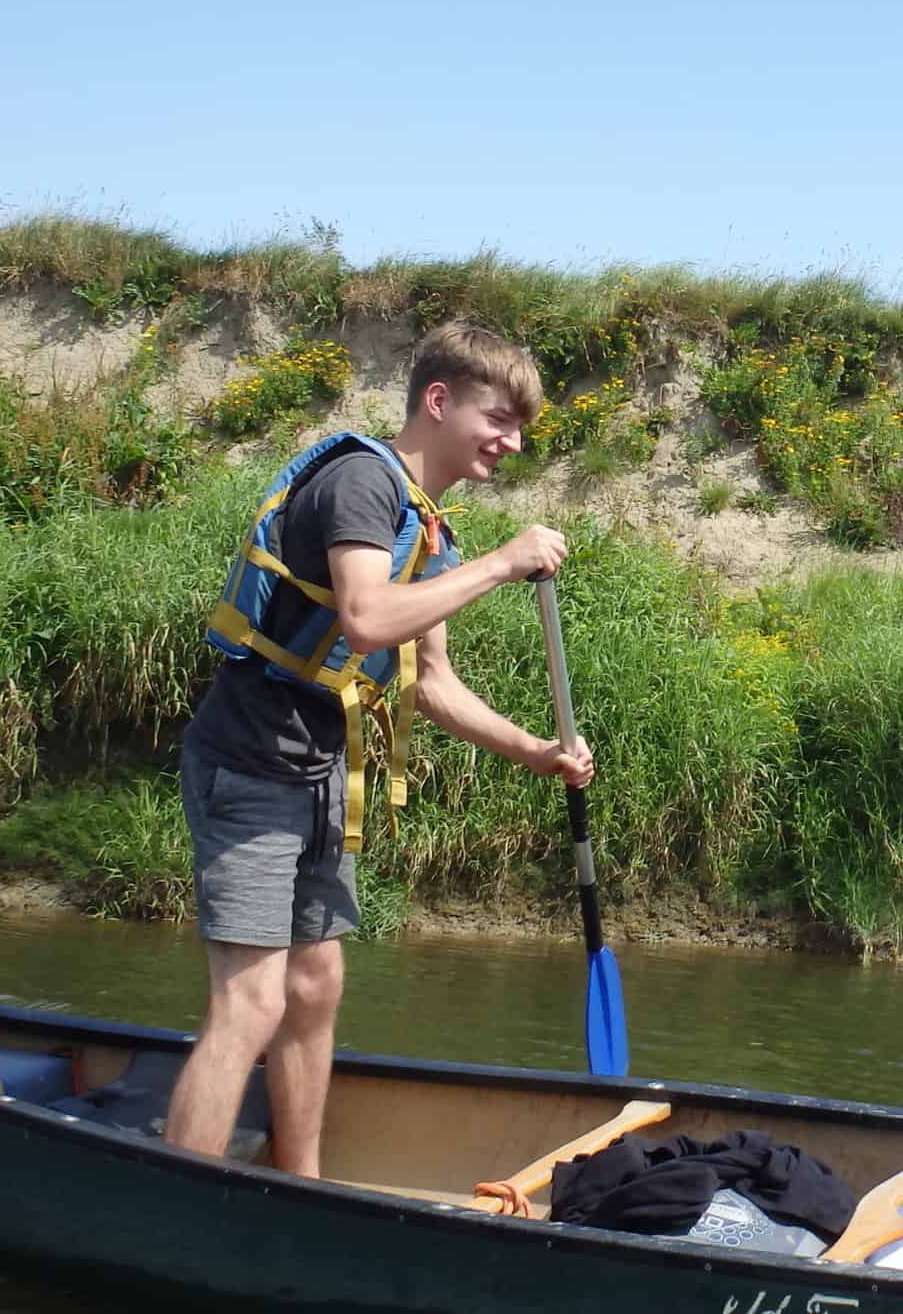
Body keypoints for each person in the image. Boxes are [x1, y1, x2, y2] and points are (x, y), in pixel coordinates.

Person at [165, 320, 595, 1175]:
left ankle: (303, 1184)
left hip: (322, 771)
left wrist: (536, 750)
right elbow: (364, 616)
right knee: (249, 1003)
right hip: (250, 761)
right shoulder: (364, 483)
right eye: (498, 418)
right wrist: (505, 564)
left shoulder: (425, 526)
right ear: (438, 401)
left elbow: (428, 681)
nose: (511, 442)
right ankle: (179, 1200)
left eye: (518, 428)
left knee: (314, 988)